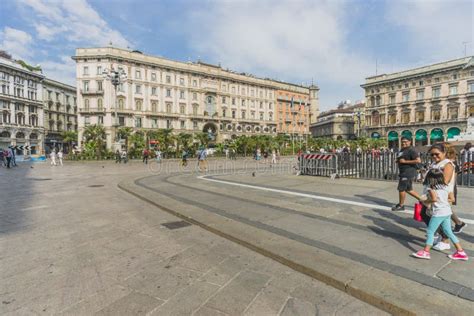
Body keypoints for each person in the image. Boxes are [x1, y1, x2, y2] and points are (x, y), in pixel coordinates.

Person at [412, 169, 468, 260]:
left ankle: (426, 252)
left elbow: (434, 199)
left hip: (438, 213)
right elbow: (452, 199)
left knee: (430, 231)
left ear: (429, 178)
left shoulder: (431, 188)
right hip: (447, 211)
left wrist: (425, 200)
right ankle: (460, 252)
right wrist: (443, 201)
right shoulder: (446, 187)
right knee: (448, 232)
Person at [392, 137, 422, 211]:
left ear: (410, 142)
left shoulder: (411, 150)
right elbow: (402, 158)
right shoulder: (402, 149)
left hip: (408, 172)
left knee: (401, 189)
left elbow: (418, 160)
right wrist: (398, 160)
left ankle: (401, 205)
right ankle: (423, 200)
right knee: (409, 189)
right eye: (402, 141)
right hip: (404, 171)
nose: (403, 143)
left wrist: (405, 162)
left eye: (405, 141)